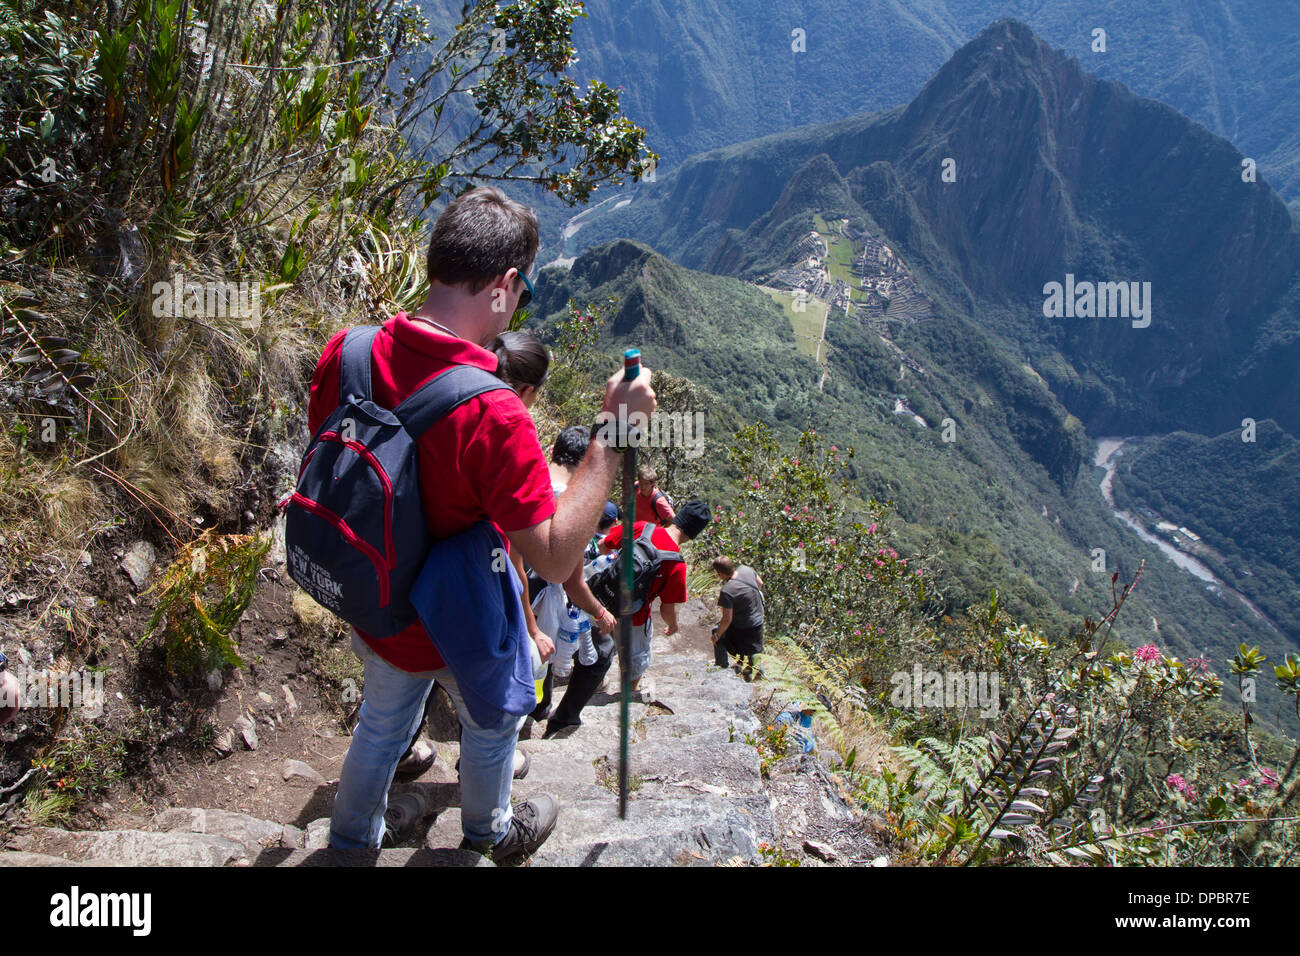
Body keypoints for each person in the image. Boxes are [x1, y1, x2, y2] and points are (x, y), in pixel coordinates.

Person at [315, 185, 657, 861]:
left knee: (380, 726)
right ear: (504, 285)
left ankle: (350, 845)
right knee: (492, 726)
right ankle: (490, 835)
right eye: (524, 290)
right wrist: (613, 433)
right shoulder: (495, 414)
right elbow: (557, 558)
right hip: (460, 620)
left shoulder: (347, 352)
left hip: (376, 607)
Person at [394, 330, 554, 781]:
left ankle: (362, 820)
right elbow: (531, 560)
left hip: (397, 582)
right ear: (525, 392)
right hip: (464, 589)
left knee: (388, 712)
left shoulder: (445, 390)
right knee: (490, 708)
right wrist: (531, 626)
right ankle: (487, 824)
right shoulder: (506, 429)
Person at [544, 499, 711, 735]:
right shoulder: (677, 564)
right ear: (695, 533)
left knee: (588, 647)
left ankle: (556, 698)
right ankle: (627, 698)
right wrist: (673, 625)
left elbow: (603, 545)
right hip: (633, 617)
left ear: (677, 517)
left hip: (600, 598)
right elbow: (667, 608)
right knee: (635, 659)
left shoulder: (643, 528)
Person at [711, 556, 765, 676]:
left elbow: (727, 620)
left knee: (716, 632)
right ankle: (756, 672)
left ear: (720, 573)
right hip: (758, 621)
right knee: (754, 651)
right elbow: (760, 583)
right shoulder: (746, 570)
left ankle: (721, 668)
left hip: (743, 628)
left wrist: (717, 635)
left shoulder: (727, 590)